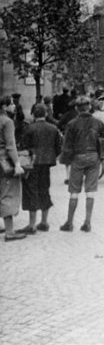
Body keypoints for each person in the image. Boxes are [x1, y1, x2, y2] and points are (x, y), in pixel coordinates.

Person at [59, 95, 104, 233]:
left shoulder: (72, 123)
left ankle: (69, 223)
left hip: (78, 157)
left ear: (77, 108)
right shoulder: (98, 122)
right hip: (94, 157)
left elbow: (67, 145)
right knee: (90, 191)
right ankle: (87, 222)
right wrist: (103, 157)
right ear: (89, 107)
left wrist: (65, 161)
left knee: (74, 191)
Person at [17, 104, 62, 234]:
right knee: (44, 189)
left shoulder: (29, 129)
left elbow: (23, 146)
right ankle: (44, 221)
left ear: (33, 115)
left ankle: (31, 225)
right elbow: (58, 147)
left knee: (31, 190)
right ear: (46, 114)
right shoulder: (53, 128)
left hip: (32, 163)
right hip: (46, 163)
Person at [0, 96, 26, 241]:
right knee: (8, 193)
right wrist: (17, 164)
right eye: (11, 104)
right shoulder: (7, 122)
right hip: (4, 162)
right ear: (4, 107)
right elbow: (10, 145)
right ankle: (9, 231)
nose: (14, 107)